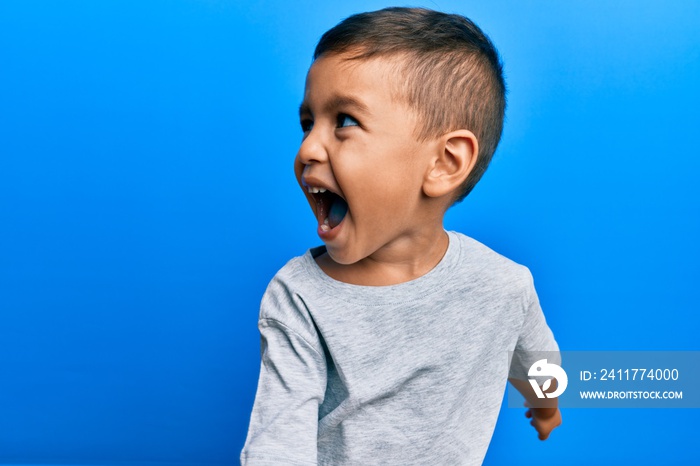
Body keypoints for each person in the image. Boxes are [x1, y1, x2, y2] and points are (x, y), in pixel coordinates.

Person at [241, 7, 562, 465]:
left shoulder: (504, 286)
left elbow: (540, 363)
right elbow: (278, 443)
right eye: (308, 123)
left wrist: (545, 405)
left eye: (345, 121)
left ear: (445, 163)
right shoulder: (299, 297)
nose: (307, 148)